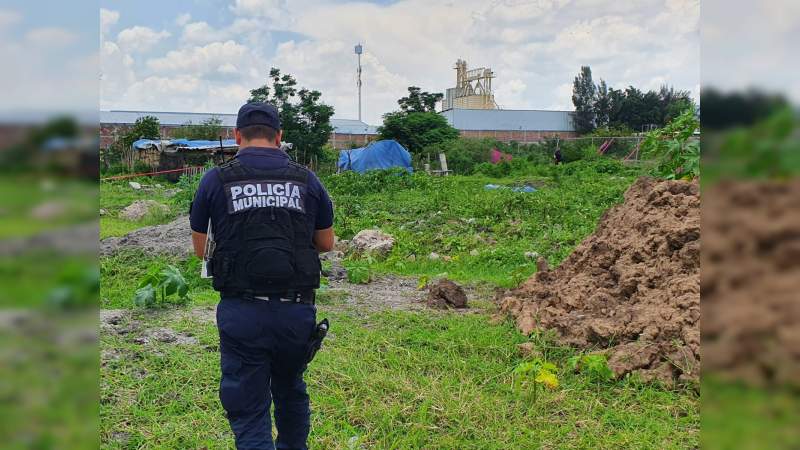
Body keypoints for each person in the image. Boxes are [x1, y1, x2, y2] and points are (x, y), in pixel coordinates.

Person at [190, 102, 335, 450]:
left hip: (242, 311)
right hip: (295, 311)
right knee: (290, 390)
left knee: (249, 406)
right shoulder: (307, 179)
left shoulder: (215, 179)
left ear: (237, 135)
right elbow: (326, 243)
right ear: (279, 137)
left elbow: (200, 249)